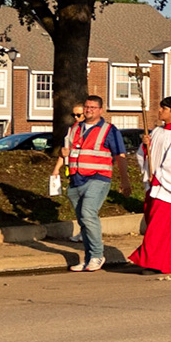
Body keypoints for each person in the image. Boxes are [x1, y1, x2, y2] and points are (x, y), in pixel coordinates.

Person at [55, 94, 130, 272]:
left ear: (100, 110)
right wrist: (61, 155)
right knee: (83, 221)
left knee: (88, 214)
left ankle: (97, 255)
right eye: (87, 107)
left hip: (98, 178)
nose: (88, 110)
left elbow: (120, 156)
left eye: (92, 108)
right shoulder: (74, 129)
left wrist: (125, 180)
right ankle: (89, 258)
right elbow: (66, 151)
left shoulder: (108, 130)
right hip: (76, 180)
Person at [129, 97, 171, 274]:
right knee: (169, 227)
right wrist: (146, 147)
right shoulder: (158, 131)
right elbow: (146, 155)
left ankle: (155, 262)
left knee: (158, 228)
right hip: (155, 186)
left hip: (168, 188)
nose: (160, 111)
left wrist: (159, 177)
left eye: (163, 108)